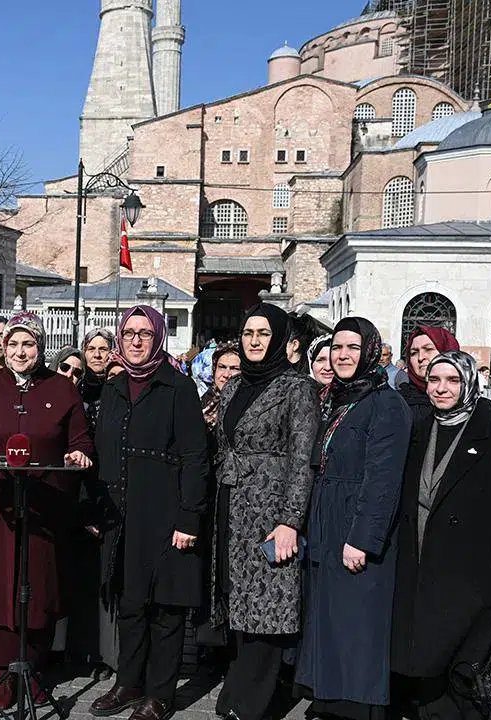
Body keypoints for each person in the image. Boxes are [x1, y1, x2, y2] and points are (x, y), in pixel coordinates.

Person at [0, 311, 94, 710]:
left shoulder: (62, 389)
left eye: (28, 344)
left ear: (40, 347)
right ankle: (2, 672)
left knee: (36, 586)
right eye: (13, 343)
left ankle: (32, 668)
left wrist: (78, 454)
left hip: (43, 506)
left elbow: (81, 440)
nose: (19, 351)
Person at [391, 350, 491, 719]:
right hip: (422, 560)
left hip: (474, 569)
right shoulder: (419, 428)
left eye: (452, 381)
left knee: (465, 661)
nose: (441, 389)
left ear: (470, 383)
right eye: (435, 380)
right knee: (426, 658)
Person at [86, 306, 209, 720]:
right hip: (122, 514)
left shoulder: (178, 387)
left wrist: (189, 517)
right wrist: (95, 507)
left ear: (158, 338)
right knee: (130, 604)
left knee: (167, 609)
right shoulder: (114, 387)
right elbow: (103, 449)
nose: (136, 341)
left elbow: (195, 457)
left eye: (144, 333)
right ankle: (128, 682)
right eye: (129, 333)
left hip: (165, 512)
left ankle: (160, 693)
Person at [205, 305, 318, 720]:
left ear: (280, 339)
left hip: (270, 508)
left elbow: (303, 458)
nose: (254, 341)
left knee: (269, 605)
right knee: (238, 600)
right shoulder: (233, 387)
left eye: (263, 333)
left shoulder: (297, 388)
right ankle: (238, 685)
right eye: (248, 332)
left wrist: (290, 520)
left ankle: (254, 700)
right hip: (231, 504)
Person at [297, 316, 412, 720]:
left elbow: (383, 478)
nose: (343, 355)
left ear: (369, 352)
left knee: (358, 621)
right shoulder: (338, 398)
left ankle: (356, 708)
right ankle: (328, 700)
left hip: (356, 522)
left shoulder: (386, 403)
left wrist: (363, 537)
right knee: (329, 617)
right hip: (327, 518)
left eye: (352, 347)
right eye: (337, 347)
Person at [398, 325, 460, 425]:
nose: (420, 358)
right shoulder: (398, 401)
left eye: (428, 349)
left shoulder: (471, 404)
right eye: (414, 353)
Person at [201, 344, 241, 430]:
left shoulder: (246, 406)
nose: (226, 375)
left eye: (235, 368)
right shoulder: (205, 399)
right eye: (222, 367)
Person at [80, 328, 116, 409]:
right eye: (91, 349)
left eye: (103, 349)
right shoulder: (75, 384)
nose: (97, 355)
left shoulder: (118, 387)